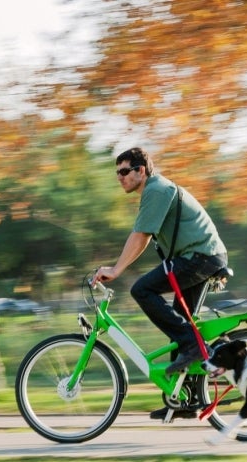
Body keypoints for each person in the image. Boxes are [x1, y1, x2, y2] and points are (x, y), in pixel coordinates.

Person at [92, 147, 228, 418]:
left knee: (142, 290)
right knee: (179, 324)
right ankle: (185, 401)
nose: (120, 178)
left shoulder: (155, 189)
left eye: (124, 172)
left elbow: (140, 235)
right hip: (203, 257)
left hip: (199, 257)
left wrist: (116, 269)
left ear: (141, 171)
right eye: (117, 173)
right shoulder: (154, 190)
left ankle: (196, 347)